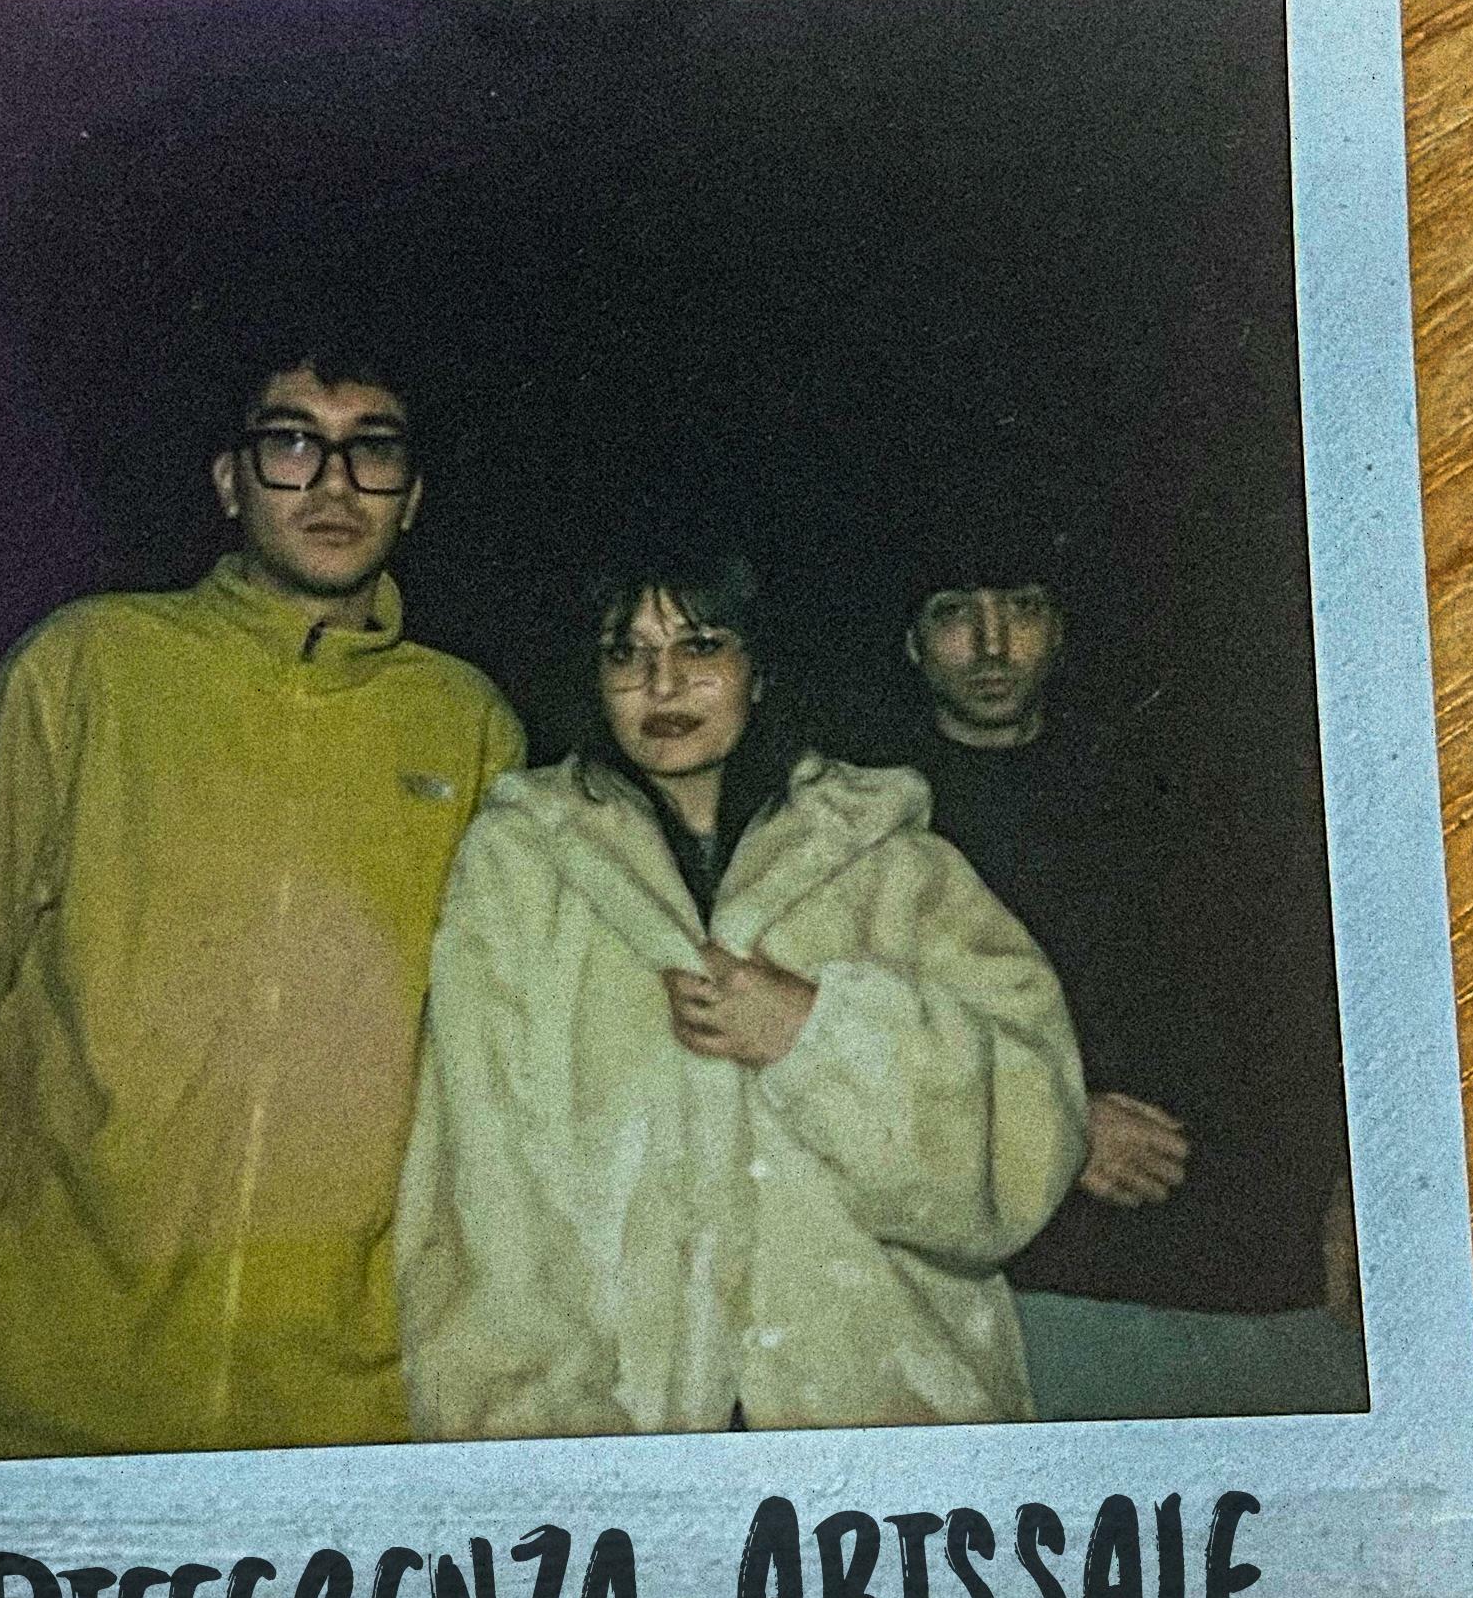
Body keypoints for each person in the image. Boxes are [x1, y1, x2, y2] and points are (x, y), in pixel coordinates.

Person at [0, 345, 524, 1460]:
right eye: (291, 443)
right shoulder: (86, 667)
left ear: (412, 498)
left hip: (334, 1418)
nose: (332, 483)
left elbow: (498, 1078)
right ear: (230, 481)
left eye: (371, 451)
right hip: (19, 1394)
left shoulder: (469, 725)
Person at [394, 547, 1087, 1438]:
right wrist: (549, 1446)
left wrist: (818, 1035)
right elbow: (478, 1185)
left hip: (879, 1426)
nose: (663, 685)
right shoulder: (523, 864)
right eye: (627, 653)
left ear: (758, 671)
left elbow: (1029, 1146)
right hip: (623, 1427)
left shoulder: (887, 858)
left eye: (701, 647)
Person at [876, 535, 1364, 1418]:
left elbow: (1286, 991)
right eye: (955, 614)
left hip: (1253, 1270)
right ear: (911, 642)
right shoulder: (870, 824)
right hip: (1036, 1289)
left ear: (1059, 629)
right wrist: (1057, 1126)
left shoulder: (1160, 785)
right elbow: (854, 1049)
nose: (991, 645)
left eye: (1021, 608)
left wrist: (1347, 1178)